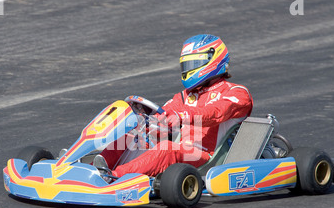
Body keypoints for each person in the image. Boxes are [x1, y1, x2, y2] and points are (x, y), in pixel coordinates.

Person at [96, 34, 253, 179]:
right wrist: (147, 119)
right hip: (181, 149)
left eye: (194, 63)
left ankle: (114, 177)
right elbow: (165, 113)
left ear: (213, 60)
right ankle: (94, 172)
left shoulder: (237, 93)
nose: (189, 69)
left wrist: (182, 116)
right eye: (186, 65)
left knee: (166, 148)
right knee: (131, 136)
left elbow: (215, 113)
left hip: (207, 156)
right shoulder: (186, 95)